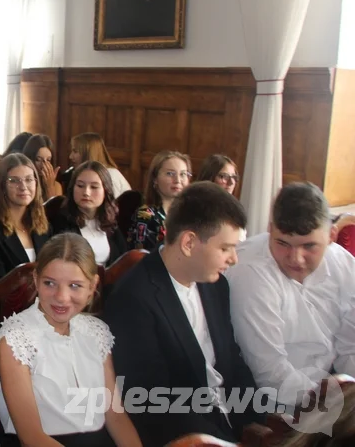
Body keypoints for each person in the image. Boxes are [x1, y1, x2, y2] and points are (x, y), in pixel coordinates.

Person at [104, 182, 264, 445]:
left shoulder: (217, 286)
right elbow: (151, 400)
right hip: (184, 433)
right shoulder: (133, 299)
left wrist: (258, 421)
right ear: (189, 242)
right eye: (225, 248)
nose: (234, 258)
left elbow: (231, 361)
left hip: (231, 418)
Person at [0, 233, 141, 447]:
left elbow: (115, 415)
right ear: (35, 280)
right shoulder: (15, 339)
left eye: (75, 286)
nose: (62, 297)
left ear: (93, 286)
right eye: (50, 283)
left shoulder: (96, 332)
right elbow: (31, 436)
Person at [227, 182, 355, 407]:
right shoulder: (250, 271)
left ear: (332, 235)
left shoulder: (345, 265)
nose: (295, 258)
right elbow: (271, 374)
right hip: (266, 401)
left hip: (330, 389)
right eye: (283, 243)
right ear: (270, 229)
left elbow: (350, 348)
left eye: (309, 246)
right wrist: (334, 408)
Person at [0, 154, 51, 282]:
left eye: (29, 179)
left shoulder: (44, 225)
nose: (23, 187)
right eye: (14, 180)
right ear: (2, 186)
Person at [51, 161, 128, 267]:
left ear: (106, 190)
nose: (86, 192)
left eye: (94, 187)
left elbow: (123, 262)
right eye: (80, 185)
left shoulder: (109, 223)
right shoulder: (61, 223)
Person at [127, 150, 191, 251]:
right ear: (155, 179)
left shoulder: (191, 214)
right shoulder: (146, 215)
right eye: (170, 174)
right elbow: (141, 257)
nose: (178, 180)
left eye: (183, 174)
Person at [66, 133, 130, 198]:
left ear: (89, 153)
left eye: (75, 151)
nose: (70, 157)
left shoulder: (110, 175)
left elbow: (111, 205)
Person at [21, 134, 62, 200]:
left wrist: (49, 187)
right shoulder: (22, 184)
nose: (44, 165)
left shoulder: (56, 186)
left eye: (48, 160)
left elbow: (54, 209)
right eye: (38, 160)